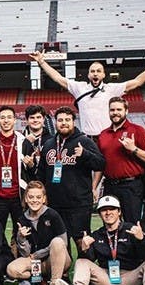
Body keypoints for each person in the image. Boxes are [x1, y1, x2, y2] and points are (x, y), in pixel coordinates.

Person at [54, 195, 145, 285]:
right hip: (106, 278)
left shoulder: (131, 230)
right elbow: (89, 260)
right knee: (81, 261)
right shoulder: (96, 235)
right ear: (99, 214)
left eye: (112, 209)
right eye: (104, 210)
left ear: (119, 212)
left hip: (130, 279)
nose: (108, 213)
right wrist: (84, 249)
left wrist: (141, 239)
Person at [30, 51, 145, 138]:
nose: (95, 73)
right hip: (86, 138)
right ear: (88, 74)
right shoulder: (79, 87)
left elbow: (137, 82)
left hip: (108, 137)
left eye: (98, 71)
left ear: (103, 74)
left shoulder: (111, 89)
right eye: (92, 71)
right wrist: (41, 62)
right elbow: (58, 78)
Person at [37, 106, 105, 256]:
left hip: (78, 204)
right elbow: (41, 174)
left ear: (73, 122)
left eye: (67, 120)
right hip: (55, 204)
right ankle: (64, 274)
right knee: (60, 241)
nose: (64, 123)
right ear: (55, 123)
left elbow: (101, 163)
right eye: (60, 120)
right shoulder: (48, 144)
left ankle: (85, 273)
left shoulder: (84, 141)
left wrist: (85, 154)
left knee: (82, 241)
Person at [93, 97, 145, 223]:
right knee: (109, 223)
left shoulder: (137, 130)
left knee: (132, 224)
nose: (115, 112)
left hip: (130, 186)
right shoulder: (103, 134)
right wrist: (94, 187)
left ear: (126, 111)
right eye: (112, 110)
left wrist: (134, 149)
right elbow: (100, 165)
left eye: (119, 109)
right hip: (110, 185)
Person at [7, 181, 70, 285]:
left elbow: (63, 243)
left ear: (44, 199)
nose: (34, 200)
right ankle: (39, 280)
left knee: (57, 242)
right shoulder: (22, 219)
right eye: (31, 197)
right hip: (37, 263)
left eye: (38, 197)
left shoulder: (52, 215)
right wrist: (21, 238)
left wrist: (37, 255)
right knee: (11, 269)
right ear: (26, 198)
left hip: (57, 260)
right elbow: (26, 254)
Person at [21, 104, 52, 179]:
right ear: (27, 120)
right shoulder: (20, 139)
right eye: (32, 117)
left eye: (38, 117)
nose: (35, 120)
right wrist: (26, 142)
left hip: (46, 183)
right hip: (26, 183)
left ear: (43, 119)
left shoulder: (52, 140)